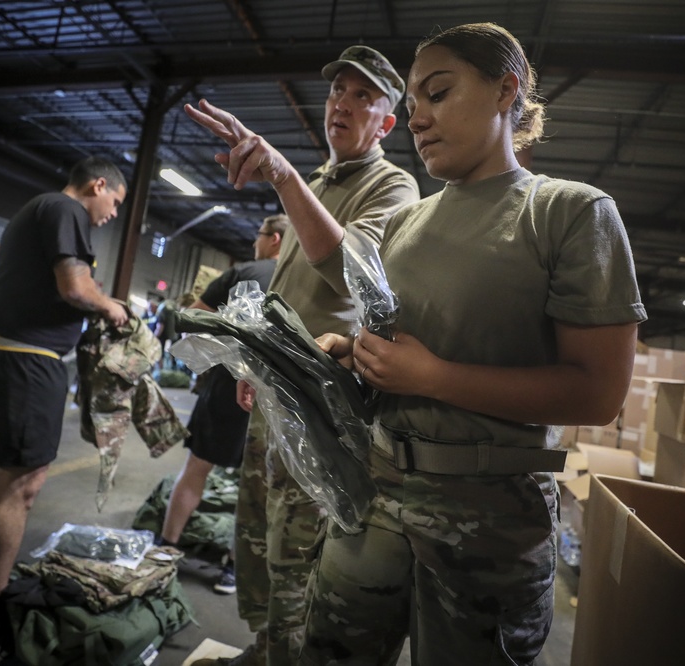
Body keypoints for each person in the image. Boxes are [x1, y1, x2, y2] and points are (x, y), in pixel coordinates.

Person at [299, 23, 647, 665]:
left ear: (504, 91)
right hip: (374, 493)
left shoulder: (567, 214)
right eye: (410, 107)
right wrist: (353, 355)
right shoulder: (401, 225)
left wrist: (432, 376)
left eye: (437, 92)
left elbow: (599, 393)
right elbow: (394, 344)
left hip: (487, 522)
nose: (418, 118)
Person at [185, 45, 419, 666]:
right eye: (338, 90)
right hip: (274, 391)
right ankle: (264, 650)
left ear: (387, 122)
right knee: (257, 535)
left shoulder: (392, 185)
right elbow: (285, 297)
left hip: (321, 404)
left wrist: (283, 176)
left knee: (297, 553)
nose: (342, 103)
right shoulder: (315, 183)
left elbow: (353, 276)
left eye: (363, 96)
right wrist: (256, 365)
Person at [0, 156, 128, 666]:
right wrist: (111, 306)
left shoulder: (37, 210)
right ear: (98, 185)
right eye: (115, 202)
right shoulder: (67, 210)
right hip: (26, 361)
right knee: (22, 487)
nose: (111, 213)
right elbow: (75, 287)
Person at [159, 213, 286, 595]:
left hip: (225, 386)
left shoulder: (246, 272)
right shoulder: (308, 278)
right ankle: (236, 567)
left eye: (259, 235)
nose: (254, 242)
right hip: (279, 395)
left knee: (196, 468)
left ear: (275, 238)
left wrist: (228, 353)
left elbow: (194, 318)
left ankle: (165, 548)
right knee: (261, 487)